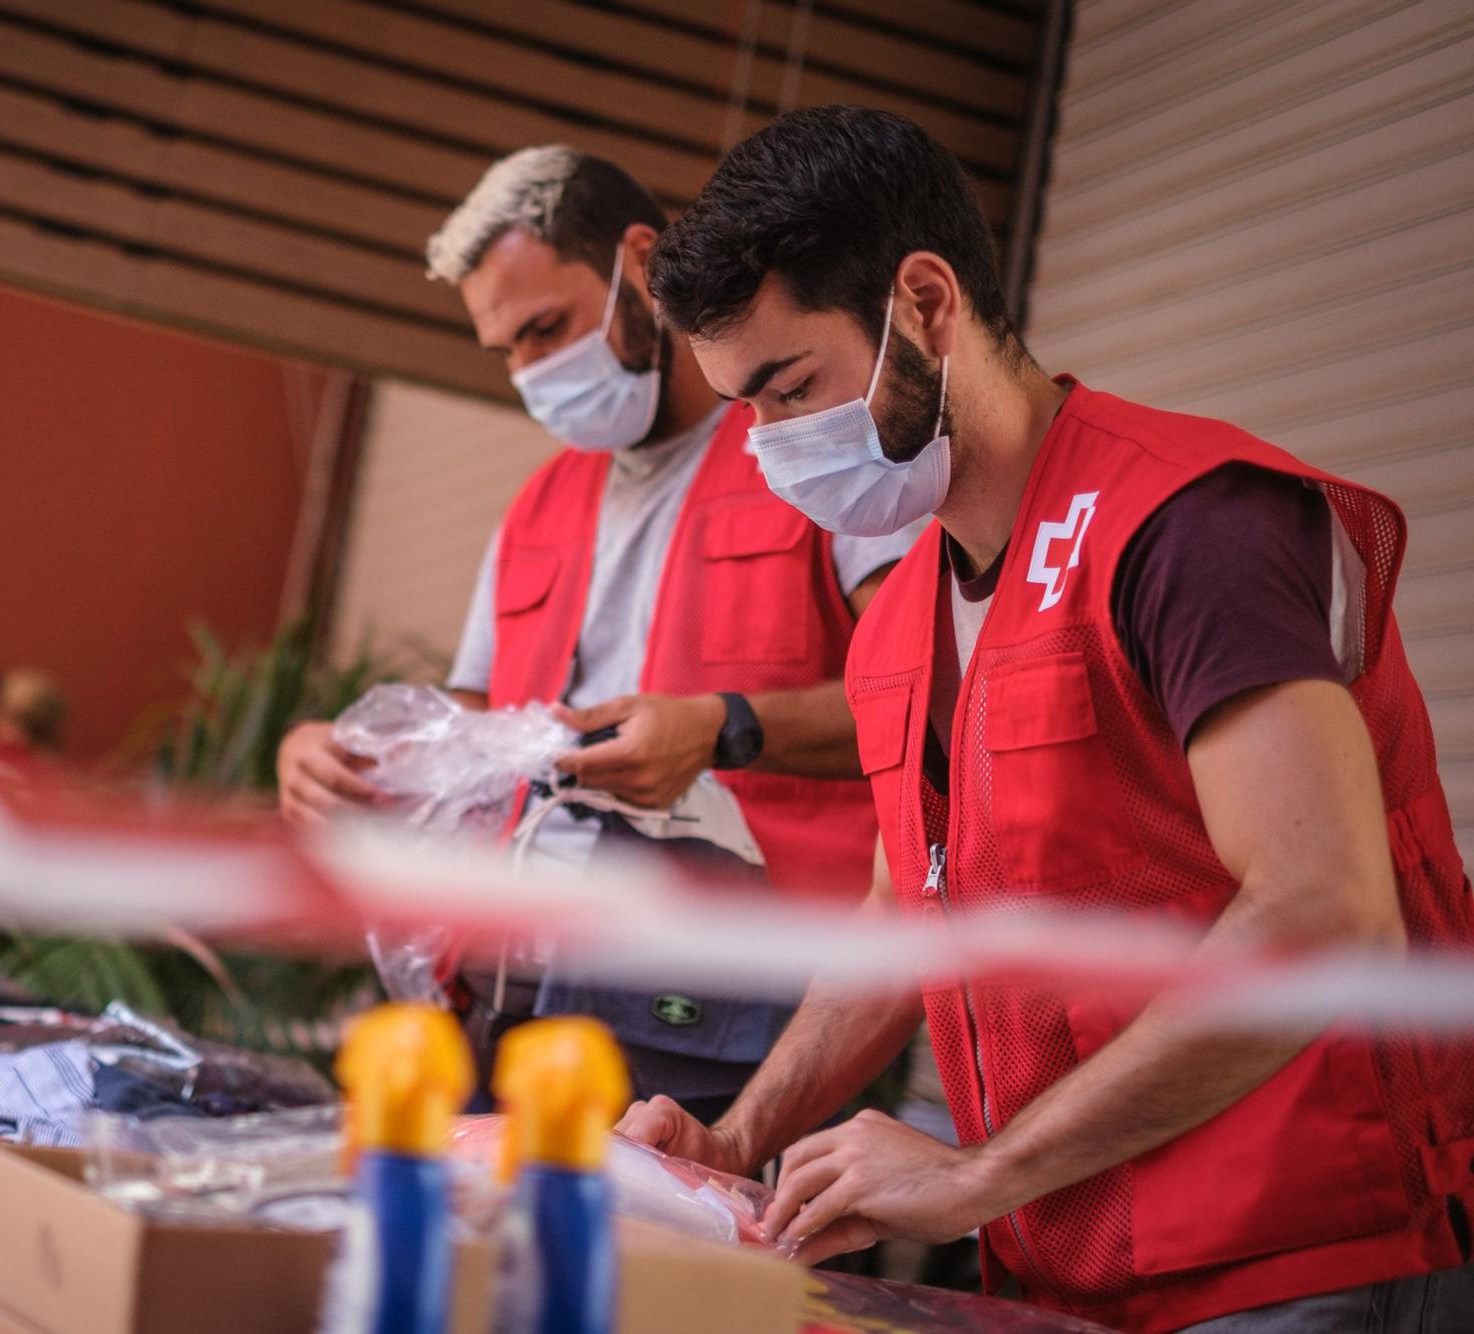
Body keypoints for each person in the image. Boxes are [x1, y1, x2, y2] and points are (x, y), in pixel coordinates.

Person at [617, 106, 1472, 1332]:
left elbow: (1324, 909)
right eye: (741, 409)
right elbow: (898, 917)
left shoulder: (1188, 528)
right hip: (1071, 1268)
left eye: (788, 388)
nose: (768, 448)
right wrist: (734, 1136)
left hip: (1299, 1263)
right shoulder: (903, 609)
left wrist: (972, 1175)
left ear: (923, 304)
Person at [278, 146, 918, 1119]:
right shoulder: (538, 505)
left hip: (742, 1000)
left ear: (637, 262)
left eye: (547, 328)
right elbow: (473, 715)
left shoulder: (811, 454)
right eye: (508, 351)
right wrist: (342, 754)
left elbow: (932, 697)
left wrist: (721, 727)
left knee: (675, 1265)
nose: (532, 373)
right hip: (513, 982)